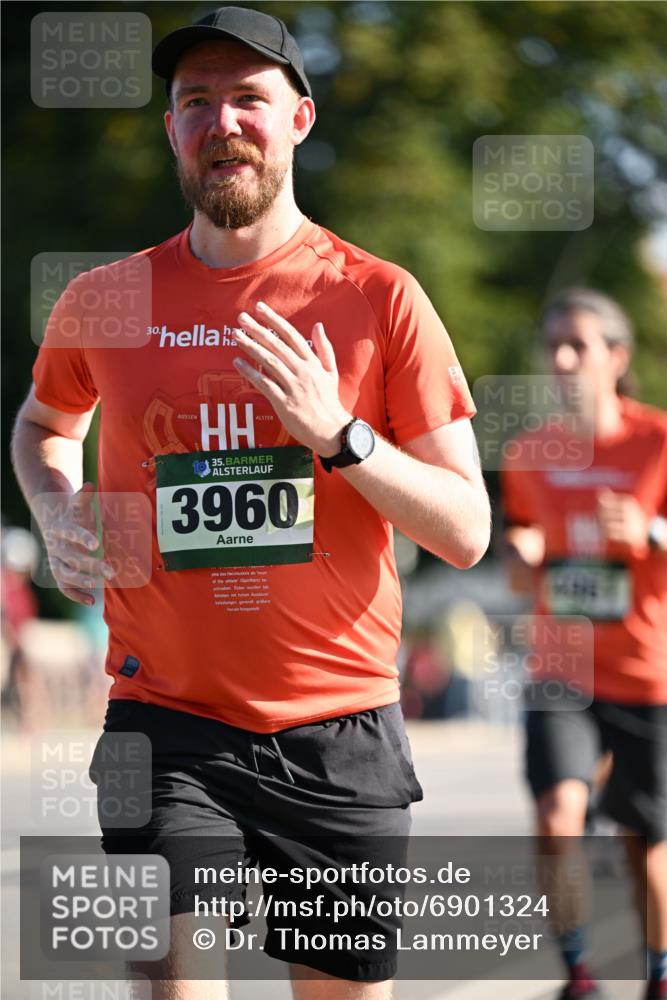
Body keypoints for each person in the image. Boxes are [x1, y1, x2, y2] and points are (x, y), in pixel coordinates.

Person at [11, 7, 490, 999]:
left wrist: (339, 437)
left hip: (338, 730)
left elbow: (465, 531)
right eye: (194, 103)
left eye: (247, 100)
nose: (220, 121)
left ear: (299, 120)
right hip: (164, 720)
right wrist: (56, 510)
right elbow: (42, 426)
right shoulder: (105, 298)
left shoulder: (378, 296)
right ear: (171, 129)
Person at [501, 288, 667, 1000]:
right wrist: (519, 551)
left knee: (644, 848)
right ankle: (577, 976)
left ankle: (658, 977)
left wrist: (649, 533)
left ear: (615, 356)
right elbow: (514, 567)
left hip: (643, 668)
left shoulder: (657, 441)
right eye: (554, 346)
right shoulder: (528, 453)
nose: (563, 359)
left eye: (579, 345)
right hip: (559, 664)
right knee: (554, 816)